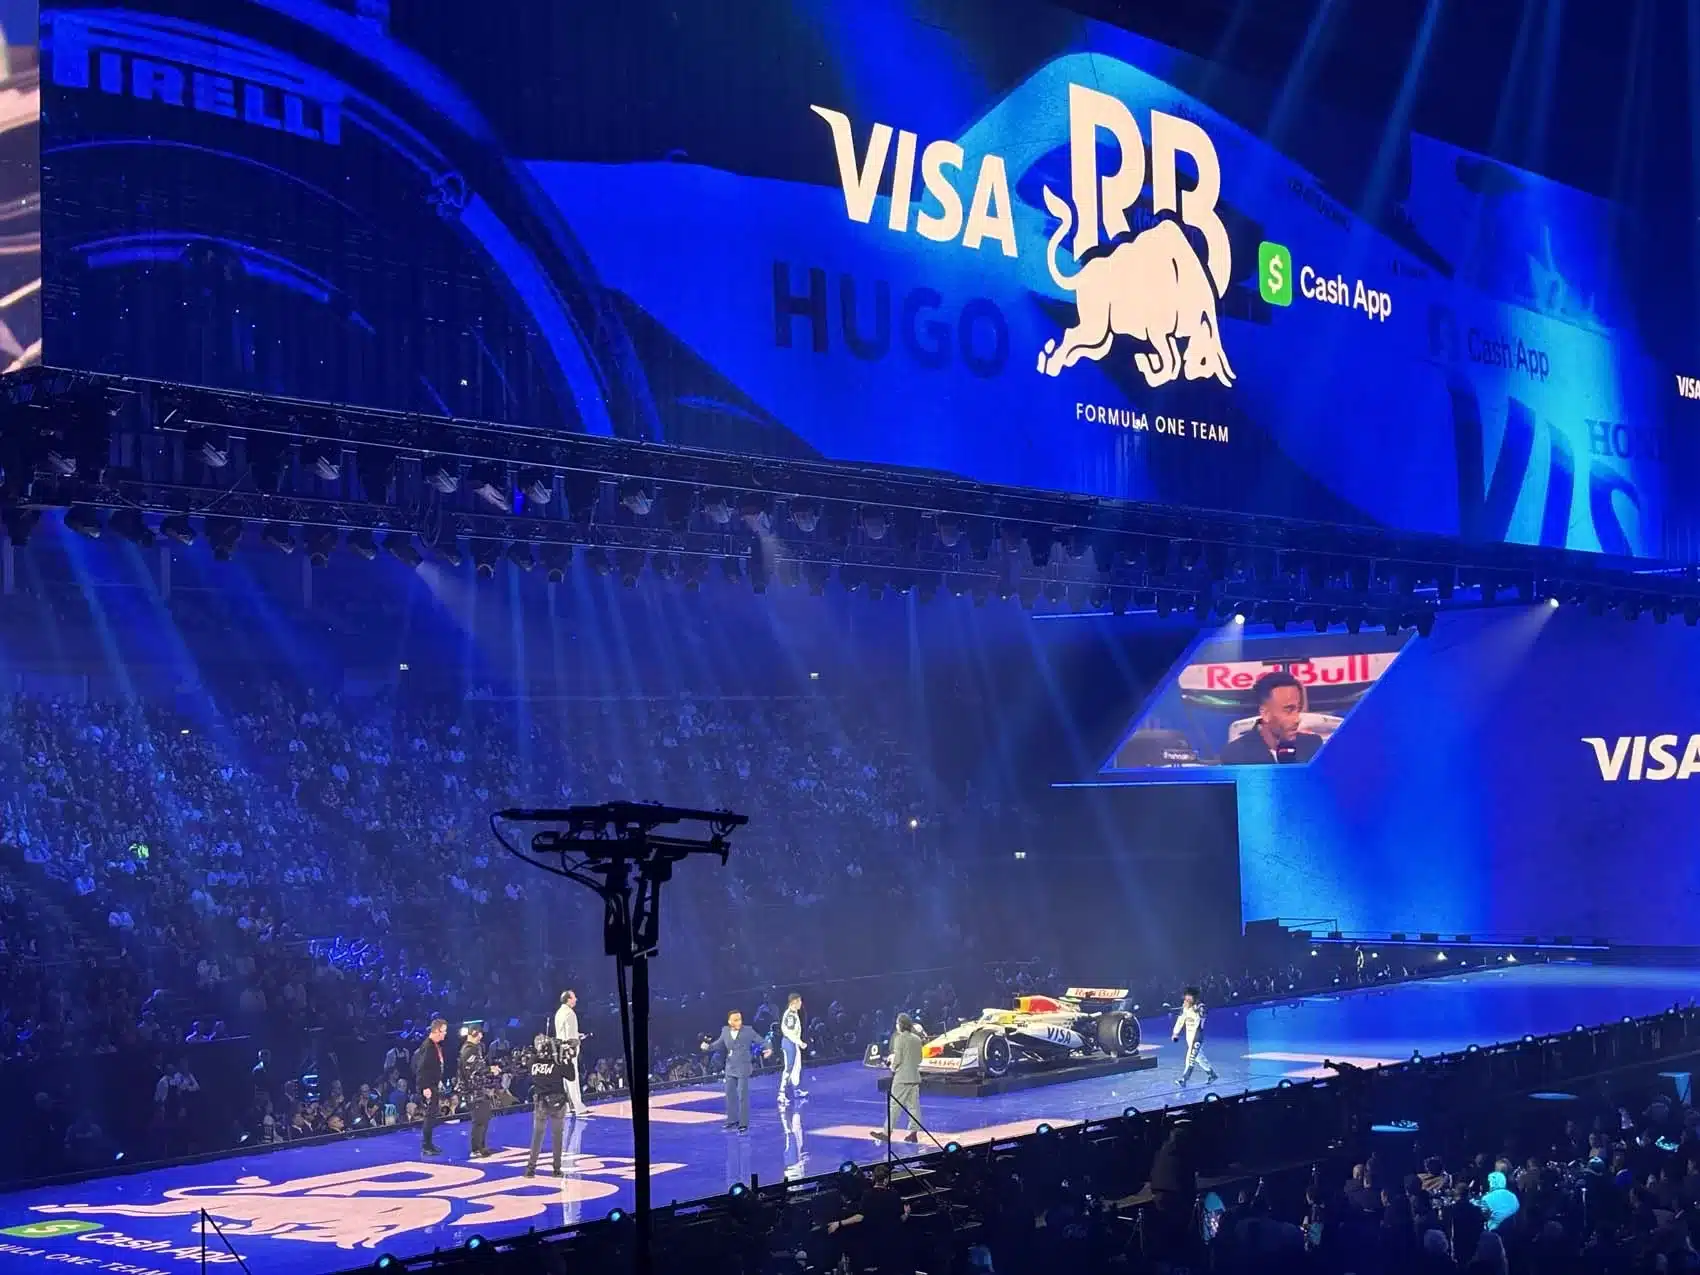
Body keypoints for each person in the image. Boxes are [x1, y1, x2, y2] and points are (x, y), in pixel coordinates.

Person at [1217, 670, 1324, 765]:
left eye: (1298, 709)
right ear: (1265, 714)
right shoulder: (1236, 755)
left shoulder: (1312, 746)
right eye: (1289, 710)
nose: (1297, 719)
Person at [700, 1010, 769, 1133]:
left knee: (742, 1095)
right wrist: (708, 1047)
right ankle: (732, 1120)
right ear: (729, 1021)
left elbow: (762, 1041)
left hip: (743, 1066)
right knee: (730, 1095)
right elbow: (718, 1044)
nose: (739, 1022)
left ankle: (743, 1123)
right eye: (736, 1020)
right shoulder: (725, 1031)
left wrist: (768, 1048)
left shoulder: (748, 1031)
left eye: (740, 1019)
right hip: (730, 1067)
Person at [524, 1035, 574, 1177]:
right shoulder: (557, 1064)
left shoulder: (532, 1063)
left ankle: (530, 1169)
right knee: (557, 1136)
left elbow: (533, 1061)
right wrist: (567, 1058)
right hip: (558, 1104)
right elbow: (571, 1076)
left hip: (541, 1104)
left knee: (537, 1136)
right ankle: (556, 1169)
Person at [872, 1013, 923, 1143]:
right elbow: (919, 1059)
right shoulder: (917, 1039)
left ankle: (886, 1133)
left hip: (902, 1077)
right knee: (914, 1107)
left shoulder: (899, 1039)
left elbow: (898, 1059)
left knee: (894, 1106)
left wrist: (892, 1067)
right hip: (914, 1076)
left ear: (900, 1024)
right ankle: (913, 1134)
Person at [457, 1025, 499, 1158]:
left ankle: (481, 1146)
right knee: (479, 1120)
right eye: (480, 1033)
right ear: (475, 1033)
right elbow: (473, 1071)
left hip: (480, 1089)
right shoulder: (469, 1050)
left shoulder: (476, 1048)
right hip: (473, 1091)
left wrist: (489, 1070)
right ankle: (475, 1149)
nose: (481, 1036)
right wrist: (490, 1070)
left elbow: (479, 1068)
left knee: (484, 1118)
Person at [413, 1018, 448, 1156]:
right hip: (428, 1086)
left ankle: (429, 1143)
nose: (445, 1034)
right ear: (437, 1031)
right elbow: (421, 1068)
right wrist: (425, 1087)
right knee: (429, 1116)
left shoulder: (434, 1046)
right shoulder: (428, 1046)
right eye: (443, 1031)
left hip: (433, 1084)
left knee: (432, 1115)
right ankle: (426, 1145)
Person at [552, 989, 590, 1117]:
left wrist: (576, 1035)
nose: (576, 999)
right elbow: (568, 1035)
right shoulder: (569, 1013)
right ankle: (578, 1106)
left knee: (565, 1079)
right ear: (568, 999)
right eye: (574, 997)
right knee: (572, 1078)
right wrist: (575, 1041)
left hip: (561, 1050)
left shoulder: (559, 1013)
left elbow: (563, 1033)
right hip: (569, 1050)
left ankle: (568, 1106)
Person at [1172, 987, 1218, 1087]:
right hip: (1189, 1037)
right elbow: (1180, 1020)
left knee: (1190, 1057)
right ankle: (1212, 1075)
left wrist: (1196, 1009)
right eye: (1186, 998)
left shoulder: (1200, 1007)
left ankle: (1184, 1079)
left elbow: (1203, 1014)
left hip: (1197, 1037)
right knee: (1199, 1057)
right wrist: (1175, 1033)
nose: (1187, 1000)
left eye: (1189, 998)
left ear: (1194, 998)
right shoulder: (1185, 1007)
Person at [778, 991, 808, 1106]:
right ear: (794, 1002)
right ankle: (781, 1094)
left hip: (794, 1043)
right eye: (799, 1001)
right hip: (789, 1043)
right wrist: (800, 1043)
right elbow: (789, 1033)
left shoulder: (794, 1014)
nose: (801, 1003)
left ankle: (796, 1090)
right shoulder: (790, 1015)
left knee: (797, 1067)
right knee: (789, 1068)